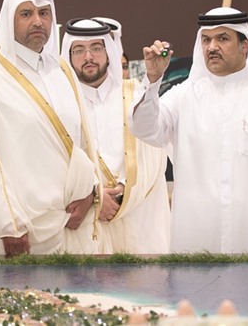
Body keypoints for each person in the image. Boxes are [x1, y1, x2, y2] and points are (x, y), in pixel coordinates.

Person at [128, 7, 248, 253]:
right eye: (206, 40)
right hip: (196, 241)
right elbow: (144, 129)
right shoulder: (185, 96)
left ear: (245, 45)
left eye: (223, 38)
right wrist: (152, 80)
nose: (212, 47)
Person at [0, 0, 101, 256]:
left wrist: (91, 193)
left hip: (69, 231)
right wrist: (10, 224)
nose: (37, 22)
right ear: (9, 18)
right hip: (14, 237)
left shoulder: (63, 71)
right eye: (26, 13)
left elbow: (83, 143)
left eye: (44, 14)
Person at [61, 18, 171, 254]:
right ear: (68, 56)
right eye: (79, 50)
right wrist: (96, 198)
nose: (88, 57)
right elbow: (58, 164)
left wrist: (123, 191)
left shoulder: (136, 93)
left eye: (96, 48)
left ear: (109, 52)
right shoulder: (62, 105)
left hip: (138, 222)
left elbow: (153, 156)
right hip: (89, 223)